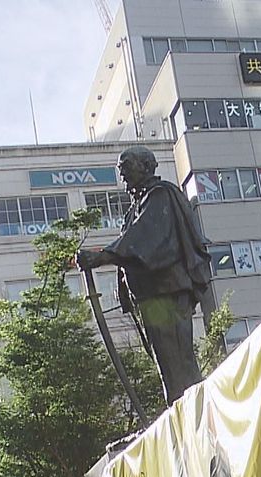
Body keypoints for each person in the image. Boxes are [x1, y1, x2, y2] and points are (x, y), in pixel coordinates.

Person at [76, 145, 212, 404]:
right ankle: (178, 411)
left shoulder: (160, 195)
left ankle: (190, 413)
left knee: (176, 359)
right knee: (165, 361)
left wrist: (101, 256)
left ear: (146, 166)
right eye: (120, 169)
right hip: (152, 297)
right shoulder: (136, 207)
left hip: (167, 293)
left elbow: (147, 237)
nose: (123, 174)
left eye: (127, 166)